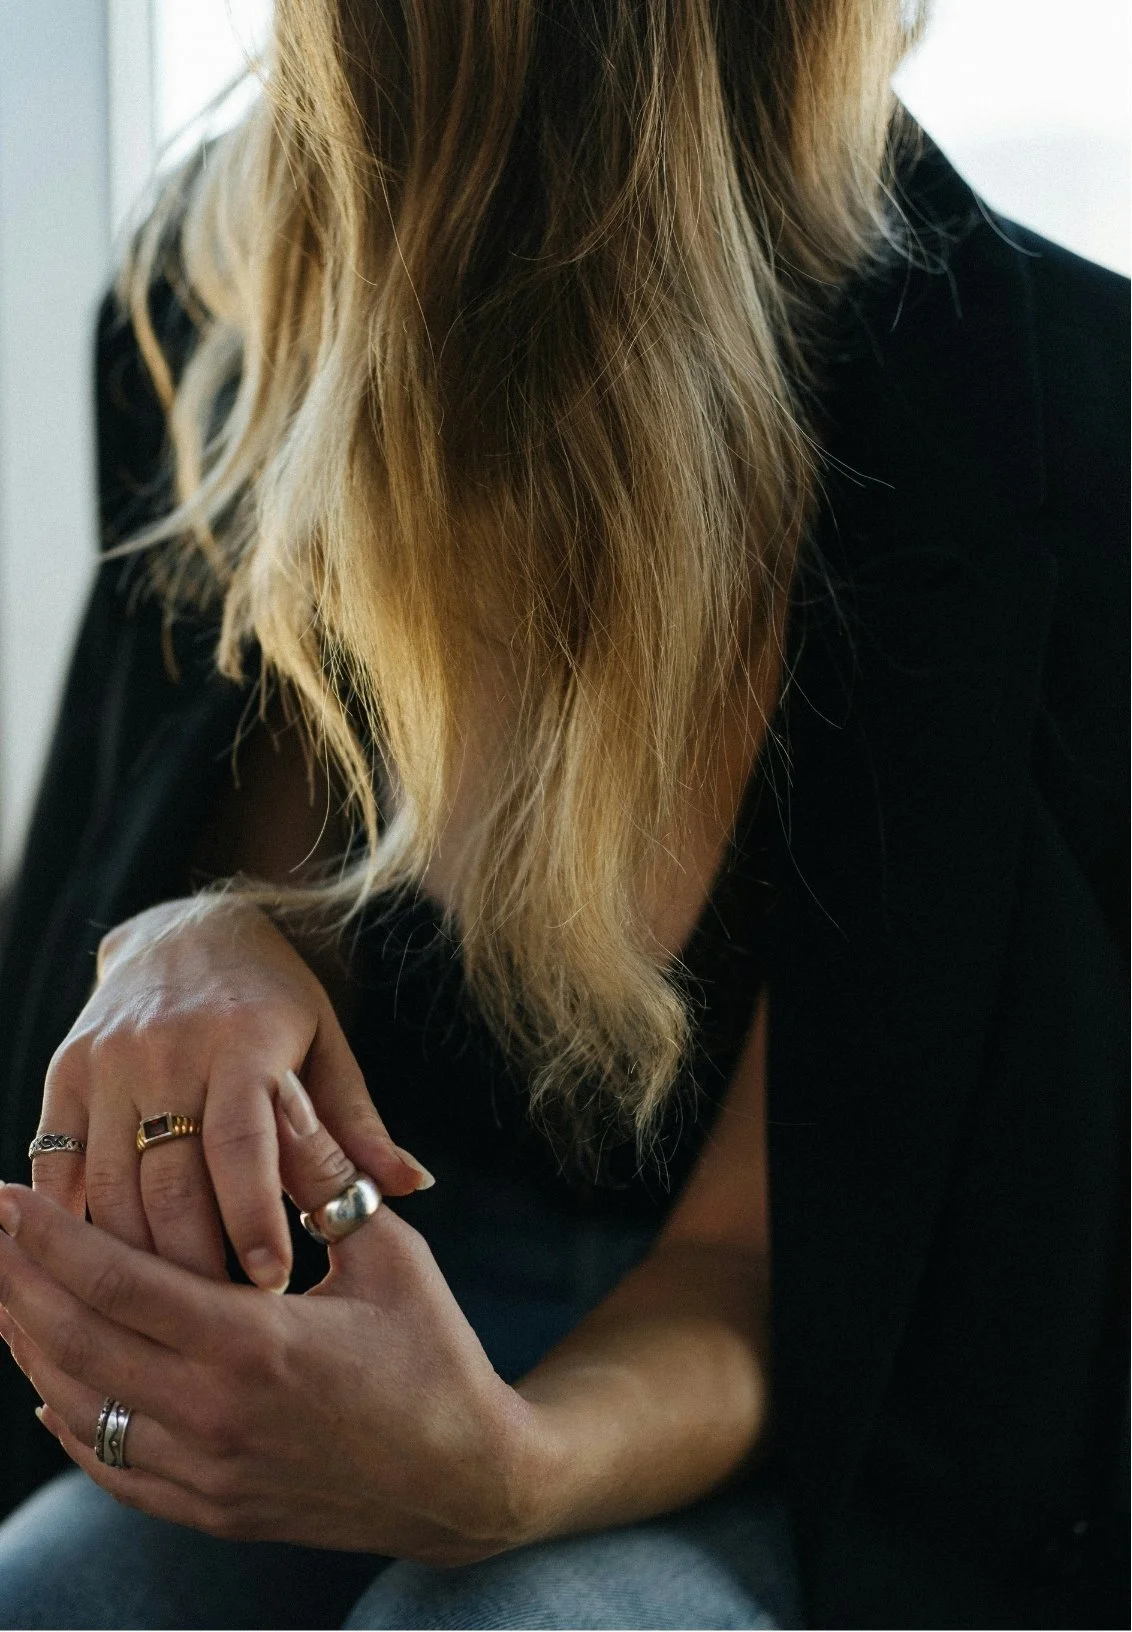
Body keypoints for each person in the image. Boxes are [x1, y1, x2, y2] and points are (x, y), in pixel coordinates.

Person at [0, 0, 1126, 1626]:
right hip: (406, 1276)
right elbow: (252, 908)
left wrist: (501, 1475)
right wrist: (193, 950)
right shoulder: (216, 313)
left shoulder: (1048, 424)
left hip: (820, 1399)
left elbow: (780, 1274)